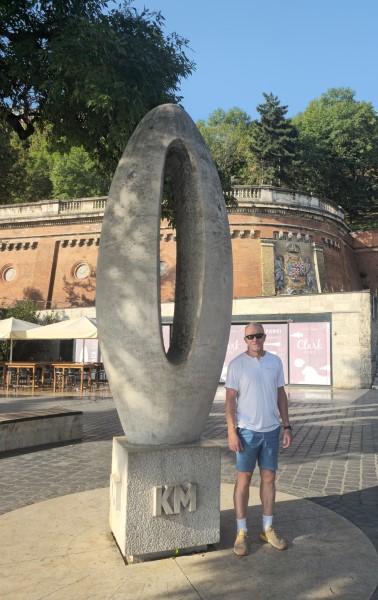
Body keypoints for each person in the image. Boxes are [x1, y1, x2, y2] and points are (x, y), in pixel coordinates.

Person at [225, 322, 293, 556]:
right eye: (250, 336)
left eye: (259, 335)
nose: (255, 339)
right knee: (243, 479)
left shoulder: (275, 362)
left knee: (269, 478)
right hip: (246, 432)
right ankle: (241, 531)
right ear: (244, 339)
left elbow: (280, 394)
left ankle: (267, 528)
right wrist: (232, 431)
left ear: (264, 337)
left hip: (272, 431)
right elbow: (230, 399)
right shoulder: (236, 365)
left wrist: (286, 426)